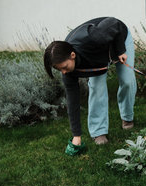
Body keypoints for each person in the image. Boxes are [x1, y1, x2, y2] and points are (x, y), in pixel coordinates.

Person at [44, 17, 137, 154]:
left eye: (64, 67)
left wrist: (120, 50)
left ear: (72, 55)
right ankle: (99, 131)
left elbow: (115, 24)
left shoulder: (93, 37)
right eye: (59, 69)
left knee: (127, 80)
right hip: (97, 59)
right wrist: (76, 135)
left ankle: (127, 118)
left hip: (119, 37)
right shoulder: (67, 70)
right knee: (97, 87)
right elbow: (72, 101)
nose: (63, 72)